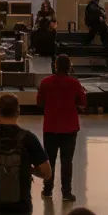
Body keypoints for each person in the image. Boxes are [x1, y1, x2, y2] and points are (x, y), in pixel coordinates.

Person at [37, 54, 88, 202]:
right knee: (67, 161)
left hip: (50, 127)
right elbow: (82, 103)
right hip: (69, 128)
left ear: (55, 66)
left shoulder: (45, 82)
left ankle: (47, 190)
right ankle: (66, 193)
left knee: (49, 160)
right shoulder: (75, 83)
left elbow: (39, 103)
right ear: (69, 67)